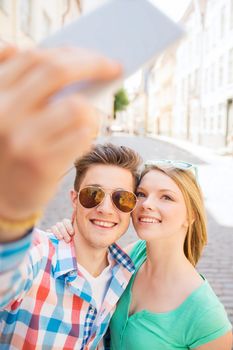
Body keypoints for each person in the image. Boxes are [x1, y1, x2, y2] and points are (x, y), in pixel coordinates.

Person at [0, 44, 144, 349]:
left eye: (122, 199)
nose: (107, 208)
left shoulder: (124, 271)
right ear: (74, 199)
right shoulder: (38, 255)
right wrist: (11, 215)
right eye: (93, 195)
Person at [53, 160, 232, 349]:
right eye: (141, 194)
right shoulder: (129, 258)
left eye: (166, 197)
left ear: (191, 216)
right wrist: (69, 232)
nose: (147, 204)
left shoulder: (206, 313)